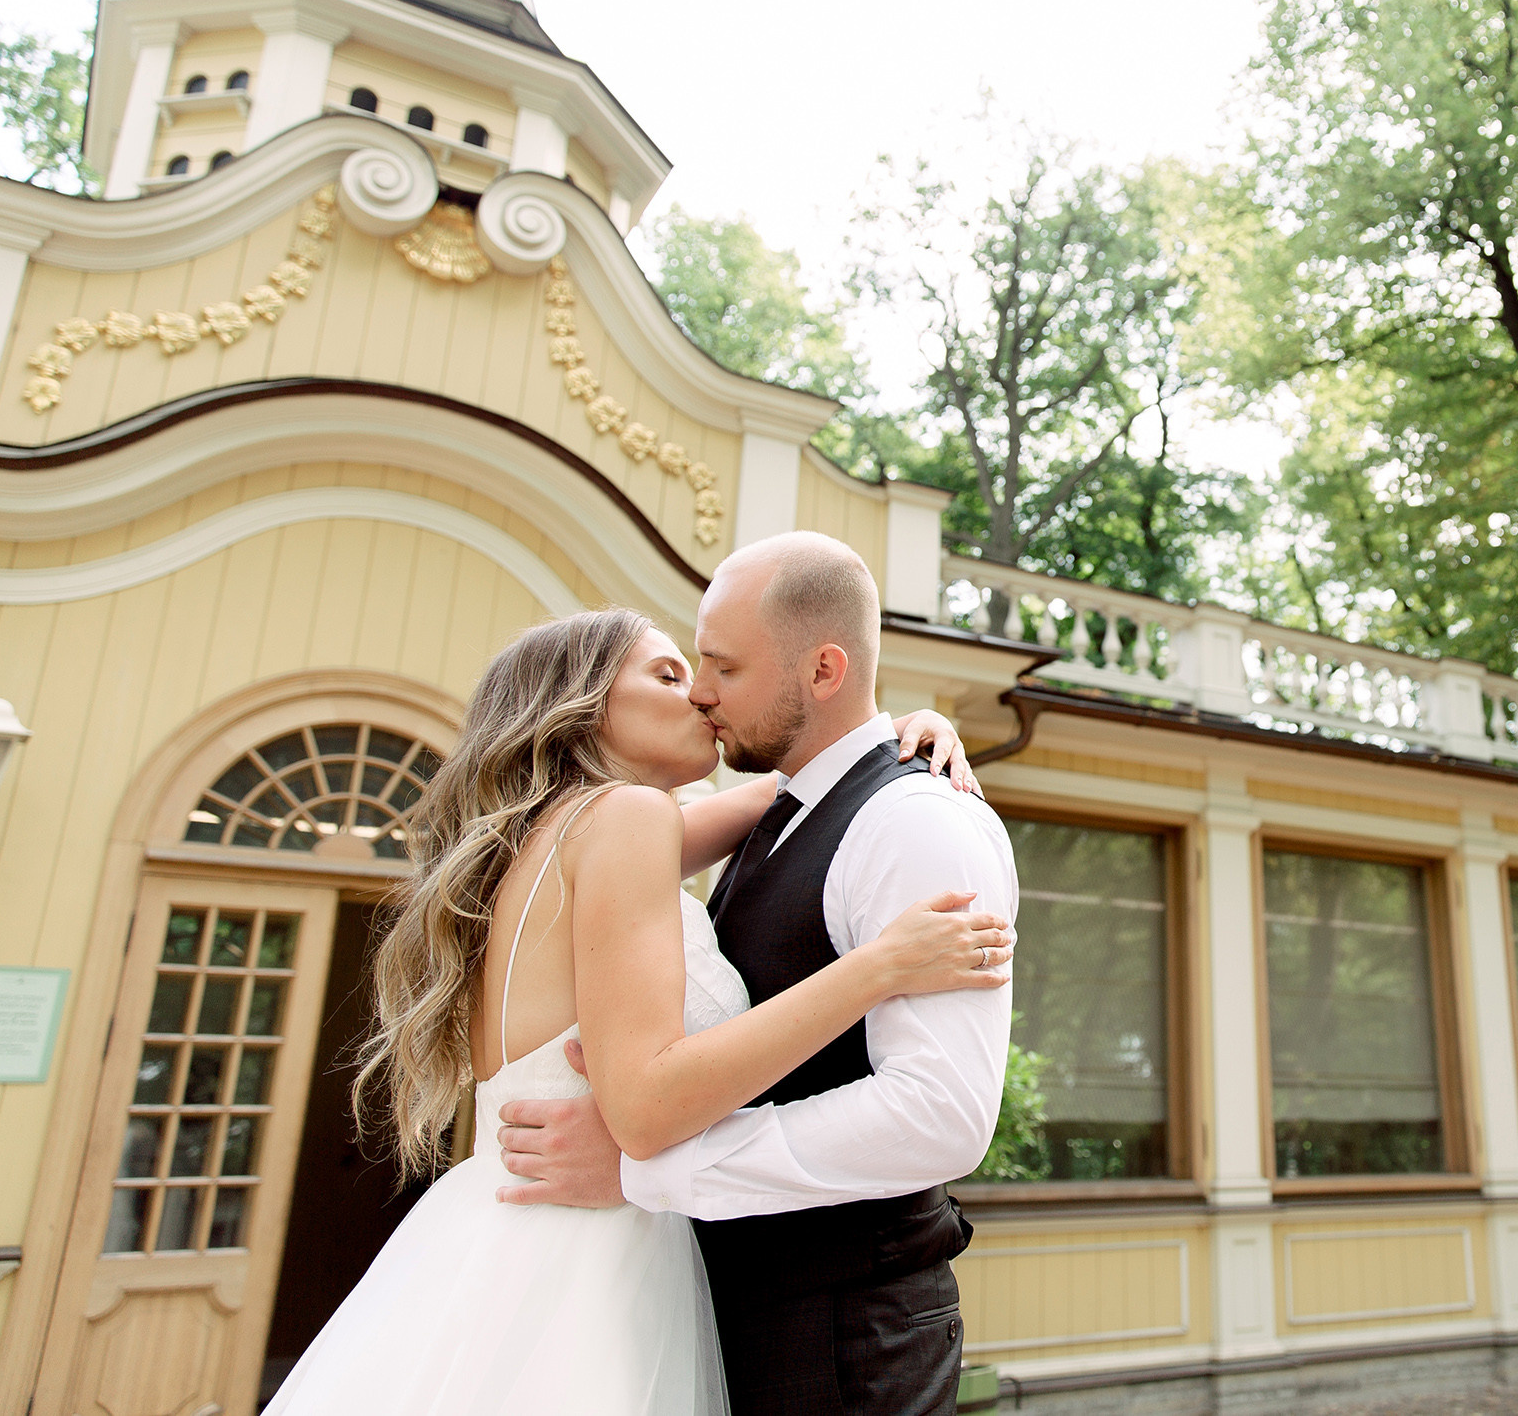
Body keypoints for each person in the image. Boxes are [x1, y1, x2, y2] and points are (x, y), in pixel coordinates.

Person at [263, 606, 1007, 1415]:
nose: (700, 696)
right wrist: (878, 966)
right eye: (667, 673)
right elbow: (647, 1106)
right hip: (586, 1253)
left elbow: (791, 788)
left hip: (494, 1233)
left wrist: (886, 733)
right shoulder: (627, 818)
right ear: (582, 704)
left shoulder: (544, 837)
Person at [495, 532, 1019, 1416]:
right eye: (681, 669)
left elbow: (937, 1115)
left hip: (841, 1328)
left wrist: (649, 1170)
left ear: (821, 670)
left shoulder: (915, 820)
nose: (701, 691)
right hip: (702, 1298)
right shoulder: (704, 818)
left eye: (722, 668)